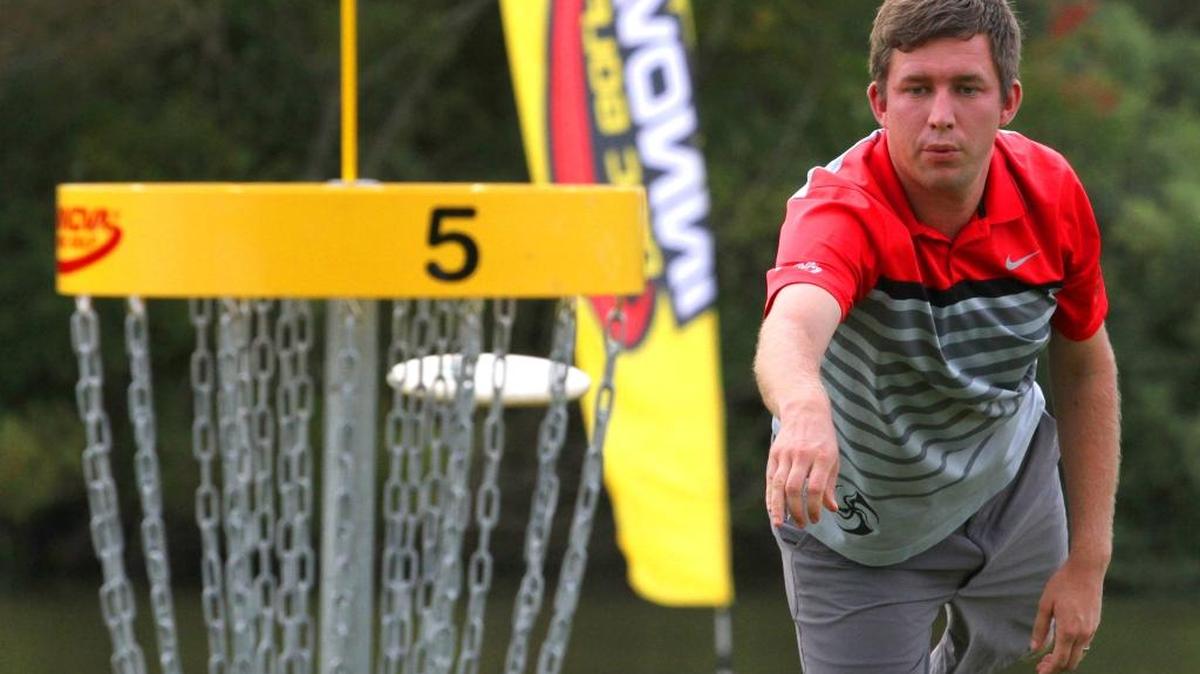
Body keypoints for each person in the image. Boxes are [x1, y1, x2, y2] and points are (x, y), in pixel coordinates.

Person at [753, 1, 1120, 672]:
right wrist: (805, 411)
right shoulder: (841, 208)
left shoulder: (1053, 195)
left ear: (1008, 100)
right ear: (879, 102)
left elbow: (1087, 365)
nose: (941, 115)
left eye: (967, 88)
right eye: (917, 89)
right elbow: (792, 324)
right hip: (857, 526)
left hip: (1009, 489)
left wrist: (1089, 556)